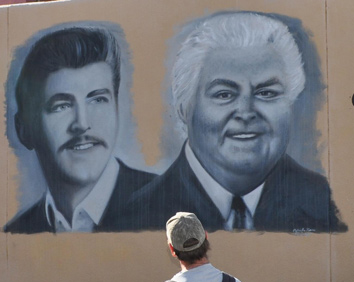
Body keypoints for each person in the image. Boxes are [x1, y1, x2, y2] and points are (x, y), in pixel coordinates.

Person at [126, 12, 347, 233]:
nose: (246, 112)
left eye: (266, 93)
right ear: (184, 109)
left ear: (290, 104)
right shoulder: (133, 217)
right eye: (224, 94)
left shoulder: (329, 206)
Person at [3, 27, 156, 234]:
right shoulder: (19, 231)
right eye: (61, 106)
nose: (82, 124)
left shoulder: (170, 208)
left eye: (97, 100)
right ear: (24, 130)